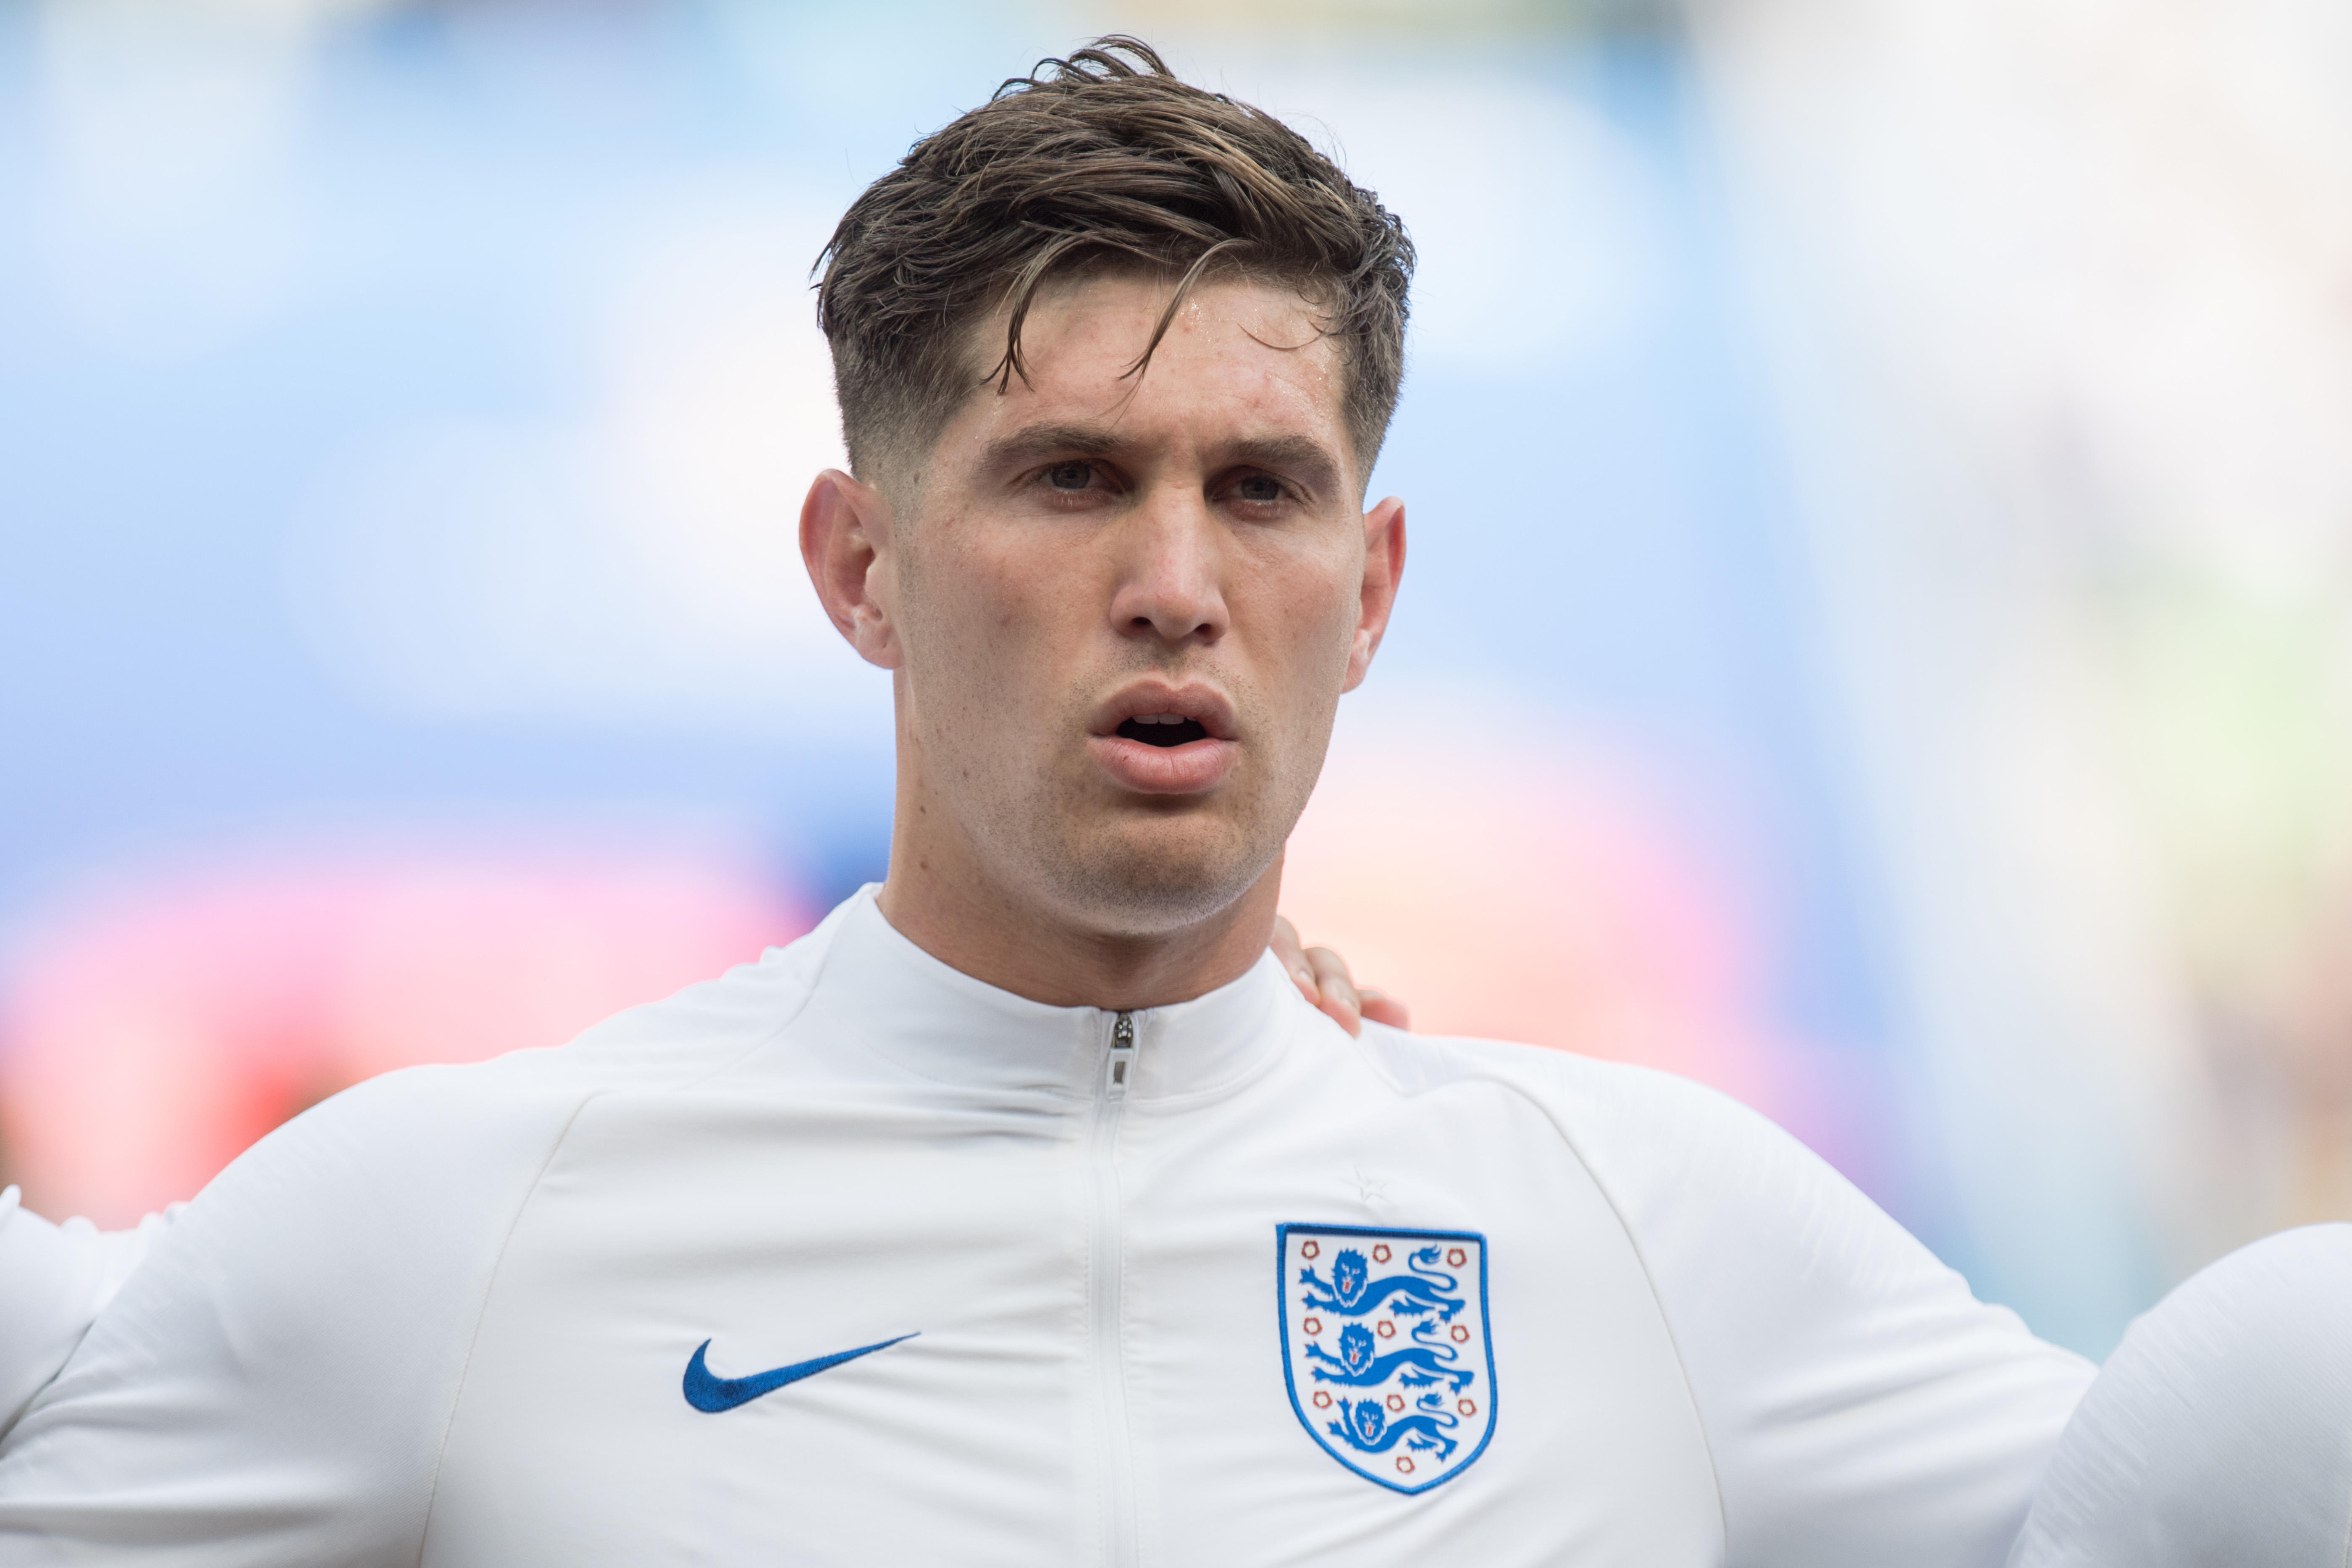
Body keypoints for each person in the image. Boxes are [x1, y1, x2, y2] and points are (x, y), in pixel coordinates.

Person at [0, 39, 2092, 1565]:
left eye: (1257, 490)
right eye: (1071, 476)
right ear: (858, 567)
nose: (1175, 583)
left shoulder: (1664, 1238)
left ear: (1364, 593)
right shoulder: (456, 1227)